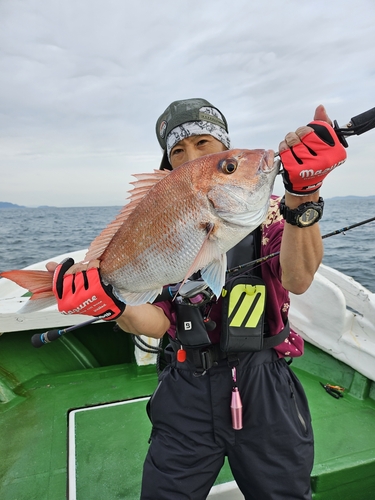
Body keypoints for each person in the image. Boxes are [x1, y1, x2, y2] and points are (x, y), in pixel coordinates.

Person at [48, 98, 347, 499]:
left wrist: (303, 195)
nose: (190, 155)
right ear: (168, 166)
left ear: (224, 148)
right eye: (177, 151)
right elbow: (157, 322)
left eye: (205, 144)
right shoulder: (164, 217)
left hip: (264, 386)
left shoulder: (276, 213)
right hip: (185, 384)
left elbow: (297, 277)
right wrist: (114, 306)